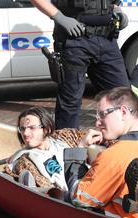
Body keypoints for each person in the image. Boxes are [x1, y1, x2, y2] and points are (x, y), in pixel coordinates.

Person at [63, 87, 138, 218]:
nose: (97, 123)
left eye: (102, 114)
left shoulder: (114, 155)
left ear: (123, 112)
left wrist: (79, 150)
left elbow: (79, 198)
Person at [30, 0, 130, 129]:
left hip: (107, 40)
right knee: (70, 101)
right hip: (74, 41)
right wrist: (59, 17)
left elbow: (112, 3)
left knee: (122, 96)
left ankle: (123, 143)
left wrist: (117, 12)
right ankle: (66, 145)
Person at [5, 107, 92, 189]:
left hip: (89, 183)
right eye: (22, 129)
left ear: (47, 129)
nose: (25, 133)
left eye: (32, 128)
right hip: (70, 196)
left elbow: (85, 134)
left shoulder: (63, 137)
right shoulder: (25, 161)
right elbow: (50, 191)